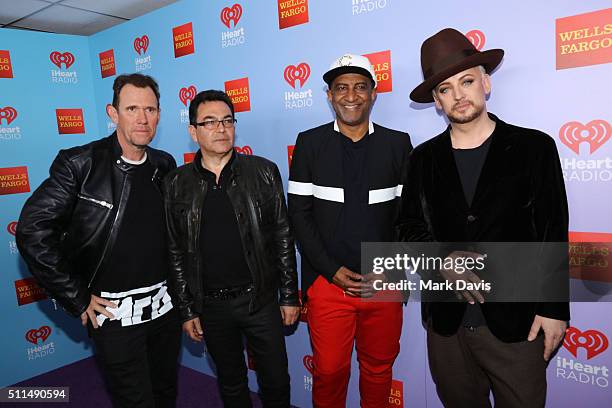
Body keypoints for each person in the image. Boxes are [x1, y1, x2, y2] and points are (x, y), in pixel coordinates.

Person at [397, 28, 570, 407]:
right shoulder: (422, 159)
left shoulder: (534, 148)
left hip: (518, 324)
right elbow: (408, 227)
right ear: (437, 102)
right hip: (447, 326)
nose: (458, 95)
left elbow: (552, 231)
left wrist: (554, 308)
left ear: (486, 83)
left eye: (467, 81)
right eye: (445, 89)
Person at [16, 73, 180, 407]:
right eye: (132, 108)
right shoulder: (81, 164)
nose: (142, 118)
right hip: (115, 317)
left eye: (150, 109)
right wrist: (76, 296)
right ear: (113, 112)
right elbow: (32, 230)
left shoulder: (164, 165)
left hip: (165, 311)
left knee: (164, 394)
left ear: (159, 115)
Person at [288, 54, 413, 407]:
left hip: (384, 283)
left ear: (373, 94)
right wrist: (331, 271)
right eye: (341, 88)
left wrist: (388, 269)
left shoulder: (398, 143)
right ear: (329, 95)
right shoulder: (309, 143)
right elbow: (299, 215)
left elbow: (410, 216)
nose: (351, 95)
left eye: (360, 87)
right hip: (328, 283)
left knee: (378, 369)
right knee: (328, 371)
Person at [164, 90, 299, 408]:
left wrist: (290, 296)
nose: (221, 128)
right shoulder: (175, 183)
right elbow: (175, 250)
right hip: (211, 307)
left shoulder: (263, 171)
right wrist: (186, 309)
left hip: (260, 299)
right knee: (231, 382)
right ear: (193, 131)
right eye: (209, 122)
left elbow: (283, 235)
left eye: (227, 120)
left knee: (276, 382)